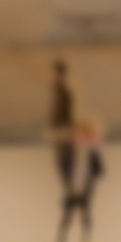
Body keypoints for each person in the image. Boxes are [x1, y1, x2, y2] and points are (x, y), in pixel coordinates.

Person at [55, 113, 106, 242]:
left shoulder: (91, 151)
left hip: (85, 188)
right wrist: (67, 183)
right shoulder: (69, 149)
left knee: (85, 216)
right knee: (67, 216)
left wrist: (93, 181)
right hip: (72, 187)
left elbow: (100, 169)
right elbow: (63, 166)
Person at [47, 59, 77, 192]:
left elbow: (64, 114)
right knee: (63, 163)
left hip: (63, 131)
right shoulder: (60, 89)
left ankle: (70, 191)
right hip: (62, 131)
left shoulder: (63, 90)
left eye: (53, 72)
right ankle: (69, 190)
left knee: (64, 163)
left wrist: (57, 131)